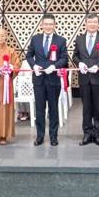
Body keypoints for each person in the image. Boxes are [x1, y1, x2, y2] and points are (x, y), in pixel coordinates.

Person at [26, 13, 69, 147]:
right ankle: (39, 136)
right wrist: (34, 66)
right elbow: (29, 56)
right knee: (39, 109)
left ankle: (53, 137)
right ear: (41, 25)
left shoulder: (61, 40)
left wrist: (54, 66)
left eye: (51, 24)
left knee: (53, 109)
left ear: (55, 25)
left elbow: (64, 58)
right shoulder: (35, 39)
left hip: (53, 79)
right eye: (46, 24)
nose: (48, 26)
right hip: (38, 79)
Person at [72, 13, 99, 146]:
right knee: (86, 108)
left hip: (98, 78)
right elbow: (75, 56)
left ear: (98, 24)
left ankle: (97, 133)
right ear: (85, 24)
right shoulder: (79, 39)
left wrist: (98, 66)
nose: (92, 24)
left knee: (98, 108)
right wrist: (79, 63)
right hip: (84, 78)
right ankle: (87, 133)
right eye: (90, 22)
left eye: (95, 22)